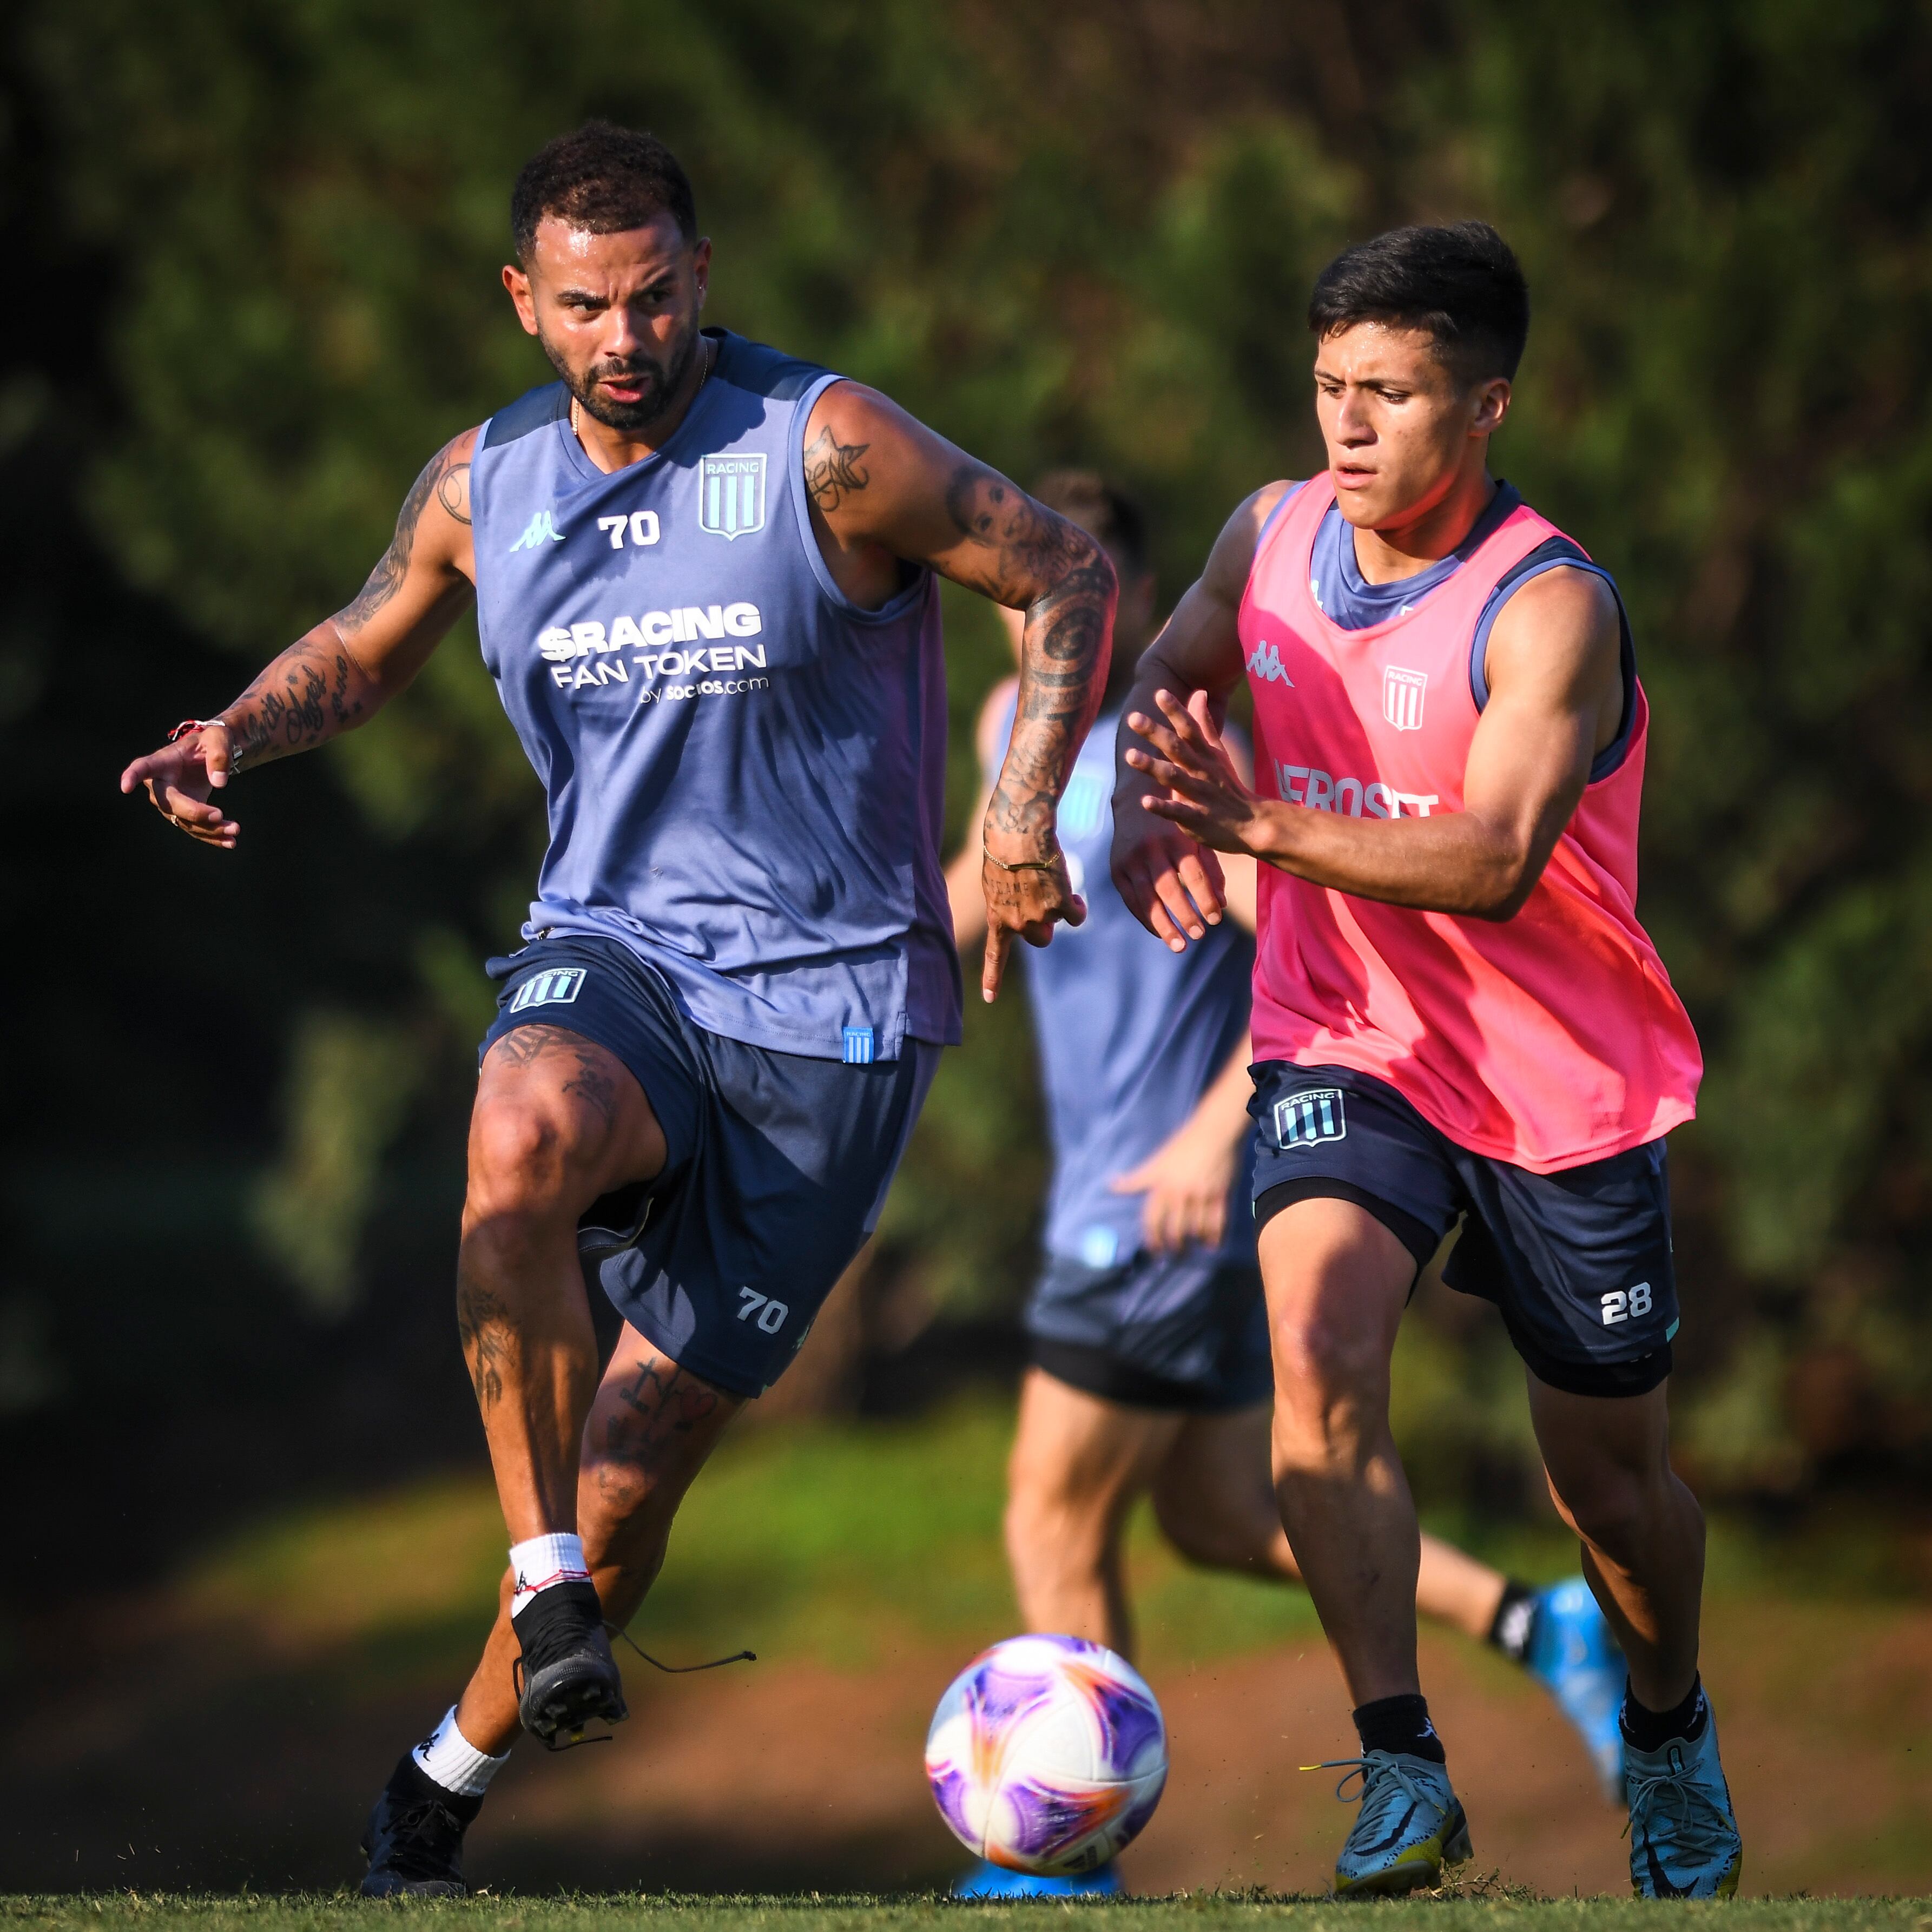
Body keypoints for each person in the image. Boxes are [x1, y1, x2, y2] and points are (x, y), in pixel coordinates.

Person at [119, 123, 1115, 1898]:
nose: (625, 335)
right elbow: (366, 635)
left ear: (702, 277)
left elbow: (1062, 571)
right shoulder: (482, 482)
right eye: (584, 305)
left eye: (654, 295)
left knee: (636, 1470)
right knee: (519, 1133)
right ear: (525, 301)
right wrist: (230, 731)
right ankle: (540, 1579)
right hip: (622, 955)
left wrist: (1022, 807)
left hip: (832, 1027)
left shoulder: (828, 448)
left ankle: (441, 1780)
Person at [1111, 224, 1741, 1899]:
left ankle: (1666, 1728)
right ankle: (1399, 1764)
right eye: (1328, 387)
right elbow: (1167, 676)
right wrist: (1127, 808)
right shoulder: (1269, 529)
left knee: (1609, 1483)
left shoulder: (1550, 605)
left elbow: (1492, 857)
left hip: (1559, 1084)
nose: (1346, 425)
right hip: (1345, 1034)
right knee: (1313, 1350)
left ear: (1485, 404)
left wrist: (1256, 821)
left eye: (1388, 392)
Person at [944, 473, 1628, 1898]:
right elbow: (968, 881)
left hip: (1166, 1195)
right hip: (1098, 1183)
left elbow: (1302, 912)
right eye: (1020, 592)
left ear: (1120, 605)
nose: (1043, 623)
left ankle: (1066, 1863)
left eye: (1069, 594)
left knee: (1046, 1512)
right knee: (1210, 1508)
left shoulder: (1199, 743)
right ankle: (1539, 1622)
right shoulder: (1010, 730)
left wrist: (1217, 1129)